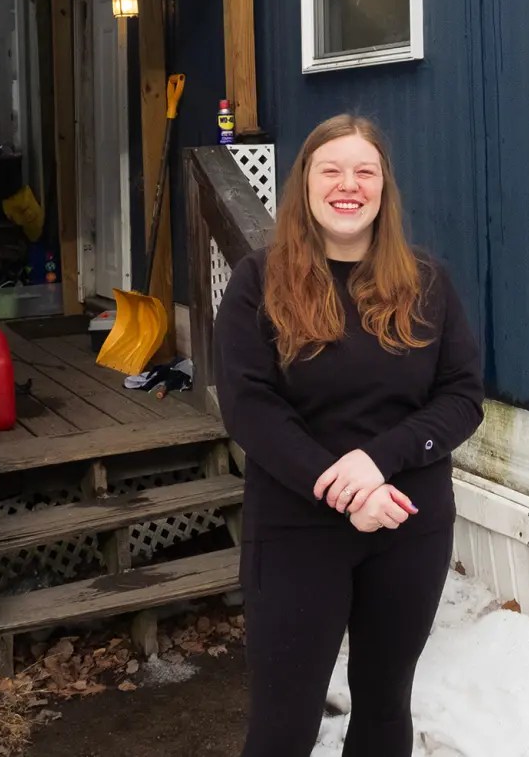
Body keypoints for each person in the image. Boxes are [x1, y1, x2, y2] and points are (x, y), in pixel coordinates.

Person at [215, 114, 486, 757]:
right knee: (285, 719)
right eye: (330, 169)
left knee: (385, 702)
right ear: (305, 184)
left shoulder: (427, 283)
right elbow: (250, 406)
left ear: (384, 189)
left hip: (407, 523)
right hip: (296, 525)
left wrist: (378, 461)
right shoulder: (261, 281)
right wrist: (342, 489)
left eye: (366, 171)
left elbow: (462, 397)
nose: (349, 184)